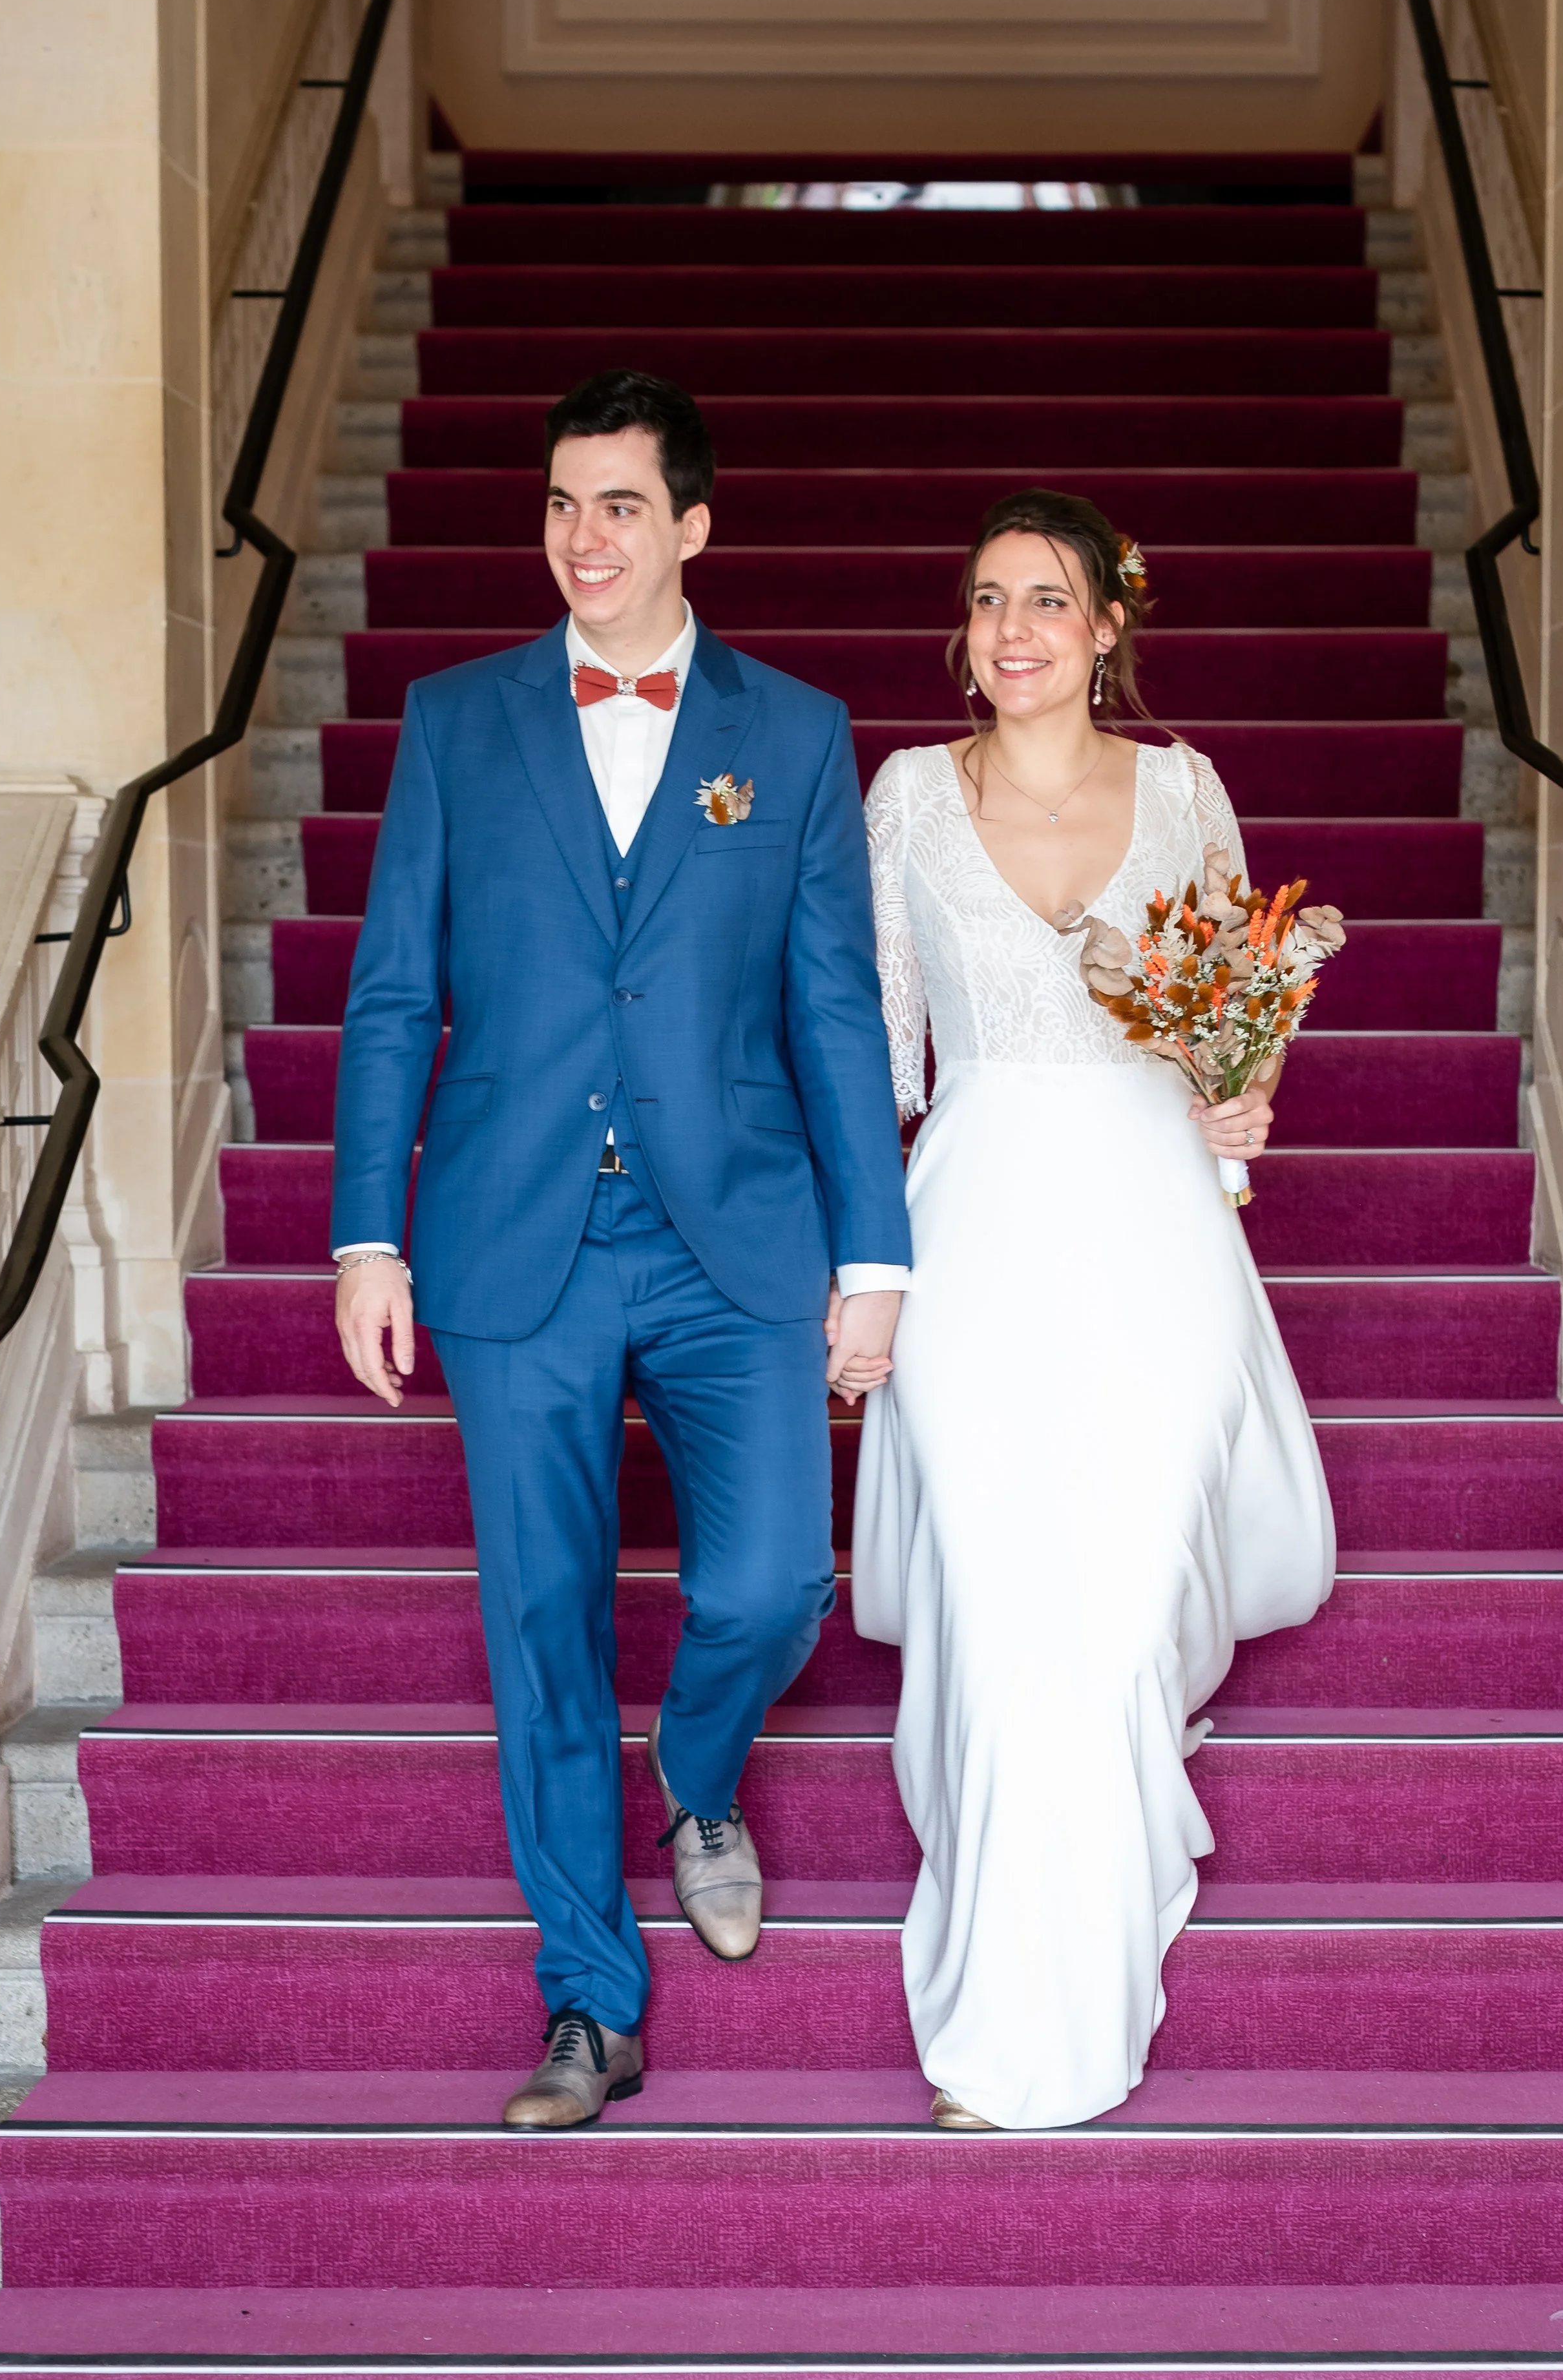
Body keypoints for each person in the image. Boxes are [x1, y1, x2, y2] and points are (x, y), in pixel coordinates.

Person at [330, 368, 911, 2127]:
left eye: (621, 506)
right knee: (541, 1626)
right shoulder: (456, 719)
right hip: (513, 1239)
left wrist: (872, 1258)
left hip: (731, 1230)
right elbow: (393, 995)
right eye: (563, 504)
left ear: (692, 526)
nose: (585, 539)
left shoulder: (791, 732)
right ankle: (590, 2000)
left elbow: (833, 1010)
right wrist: (366, 1239)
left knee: (772, 1583)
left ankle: (700, 1766)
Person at [850, 488, 1335, 2133]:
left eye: (1047, 599)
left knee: (1118, 1609)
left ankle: (1085, 1934)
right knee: (1006, 1606)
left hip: (1153, 1226)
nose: (1014, 630)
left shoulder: (1183, 789)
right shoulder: (907, 796)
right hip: (972, 1222)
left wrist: (1242, 1097)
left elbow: (1236, 1014)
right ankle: (1011, 2027)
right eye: (989, 598)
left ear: (1106, 626)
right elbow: (877, 1056)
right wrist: (862, 1268)